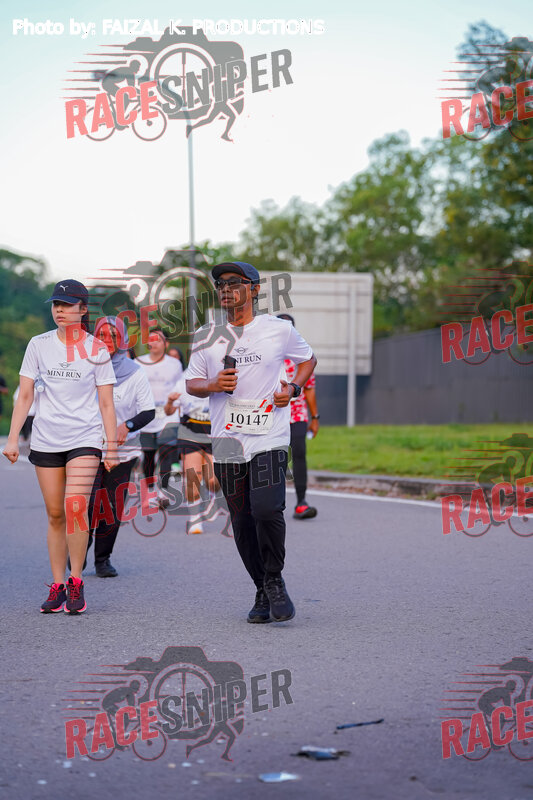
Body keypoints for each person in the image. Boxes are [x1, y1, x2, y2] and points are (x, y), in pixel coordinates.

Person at [186, 262, 317, 623]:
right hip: (227, 439)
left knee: (266, 509)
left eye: (234, 283)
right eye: (220, 284)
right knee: (242, 520)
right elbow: (192, 383)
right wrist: (213, 384)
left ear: (255, 289)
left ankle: (274, 579)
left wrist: (293, 388)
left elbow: (309, 360)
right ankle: (261, 589)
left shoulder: (278, 330)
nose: (225, 289)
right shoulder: (206, 335)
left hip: (269, 435)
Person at [2, 279, 118, 614]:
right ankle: (57, 585)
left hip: (85, 438)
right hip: (46, 438)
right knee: (55, 514)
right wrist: (12, 438)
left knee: (75, 507)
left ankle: (76, 580)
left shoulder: (97, 349)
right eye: (56, 305)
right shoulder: (38, 344)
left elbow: (106, 403)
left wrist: (111, 447)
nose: (60, 311)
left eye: (67, 305)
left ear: (83, 309)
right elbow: (25, 395)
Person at [88, 317, 155, 577]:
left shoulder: (134, 371)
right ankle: (79, 549)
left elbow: (148, 411)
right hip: (88, 446)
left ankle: (102, 559)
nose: (107, 340)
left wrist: (127, 426)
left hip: (123, 450)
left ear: (123, 339)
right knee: (88, 503)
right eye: (102, 335)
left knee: (111, 507)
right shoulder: (85, 366)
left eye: (113, 335)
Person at [164, 370, 219, 535]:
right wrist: (170, 401)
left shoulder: (218, 377)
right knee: (193, 477)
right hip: (190, 434)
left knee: (213, 480)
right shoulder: (184, 381)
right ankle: (195, 519)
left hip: (214, 434)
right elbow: (168, 411)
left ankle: (212, 497)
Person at [278, 313, 320, 519]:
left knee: (299, 454)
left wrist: (315, 418)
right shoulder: (268, 354)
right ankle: (274, 504)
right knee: (276, 458)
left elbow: (309, 389)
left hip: (297, 414)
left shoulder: (302, 356)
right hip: (273, 415)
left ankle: (301, 502)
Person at [135, 329, 183, 508]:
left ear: (166, 344)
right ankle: (149, 492)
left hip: (168, 415)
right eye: (151, 339)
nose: (153, 343)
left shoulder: (174, 364)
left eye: (158, 340)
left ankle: (163, 491)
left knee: (166, 453)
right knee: (148, 455)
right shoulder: (138, 363)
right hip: (146, 416)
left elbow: (179, 387)